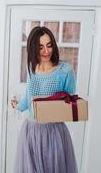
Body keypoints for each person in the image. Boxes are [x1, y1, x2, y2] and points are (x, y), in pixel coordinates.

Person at [11, 26, 78, 173]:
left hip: (53, 133)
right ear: (33, 48)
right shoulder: (31, 68)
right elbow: (30, 97)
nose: (46, 51)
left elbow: (68, 104)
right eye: (41, 47)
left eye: (49, 45)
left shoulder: (65, 71)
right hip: (31, 131)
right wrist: (18, 106)